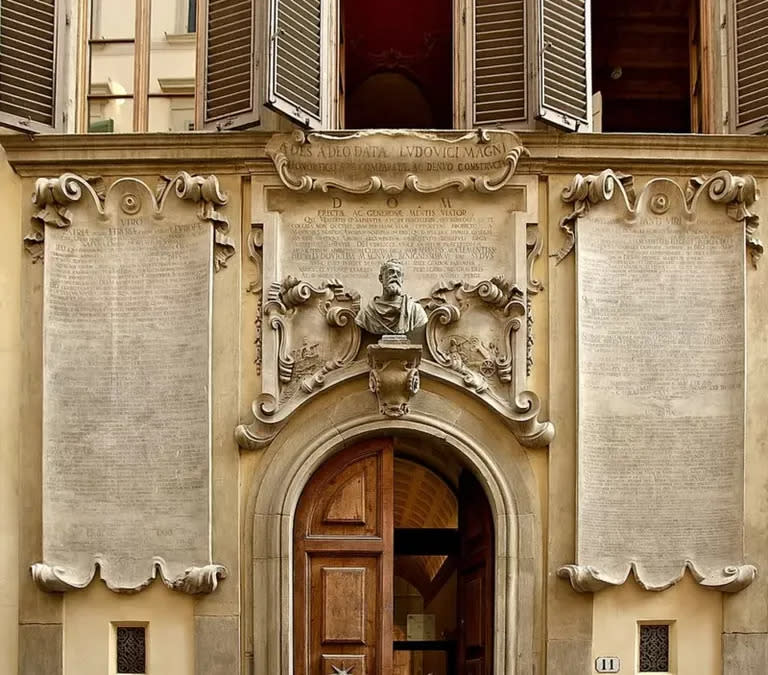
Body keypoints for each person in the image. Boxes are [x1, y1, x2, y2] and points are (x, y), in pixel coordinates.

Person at [355, 259, 428, 335]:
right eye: (391, 272)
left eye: (398, 274)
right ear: (381, 278)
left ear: (402, 280)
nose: (395, 275)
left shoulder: (415, 310)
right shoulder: (367, 313)